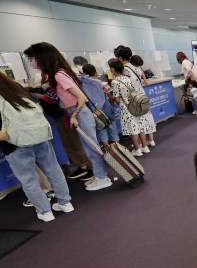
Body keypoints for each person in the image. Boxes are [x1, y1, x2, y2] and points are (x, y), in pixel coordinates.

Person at [24, 42, 112, 191]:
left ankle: (102, 178)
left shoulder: (58, 75)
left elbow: (81, 97)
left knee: (91, 147)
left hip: (79, 113)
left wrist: (74, 115)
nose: (33, 63)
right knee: (89, 146)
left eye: (34, 59)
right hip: (76, 112)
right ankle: (99, 175)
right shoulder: (60, 72)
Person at [0, 70, 74, 221]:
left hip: (15, 144)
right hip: (39, 136)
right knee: (54, 170)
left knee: (29, 179)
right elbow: (38, 106)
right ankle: (66, 203)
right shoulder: (16, 87)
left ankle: (45, 212)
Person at [108, 59, 151, 157]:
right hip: (134, 104)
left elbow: (117, 99)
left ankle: (137, 150)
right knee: (140, 127)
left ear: (112, 69)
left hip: (126, 107)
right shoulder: (127, 78)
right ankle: (144, 147)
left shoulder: (115, 82)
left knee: (132, 130)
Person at [116, 48, 157, 146]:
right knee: (146, 115)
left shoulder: (124, 69)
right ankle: (150, 140)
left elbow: (128, 85)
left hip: (133, 96)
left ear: (120, 58)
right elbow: (142, 75)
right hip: (141, 94)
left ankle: (138, 144)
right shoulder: (135, 66)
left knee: (136, 120)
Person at [81, 64, 120, 150]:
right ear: (96, 73)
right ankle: (119, 149)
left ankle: (108, 151)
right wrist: (112, 107)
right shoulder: (102, 83)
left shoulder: (82, 86)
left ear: (83, 73)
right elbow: (110, 95)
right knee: (112, 128)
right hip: (107, 107)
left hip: (95, 110)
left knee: (101, 129)